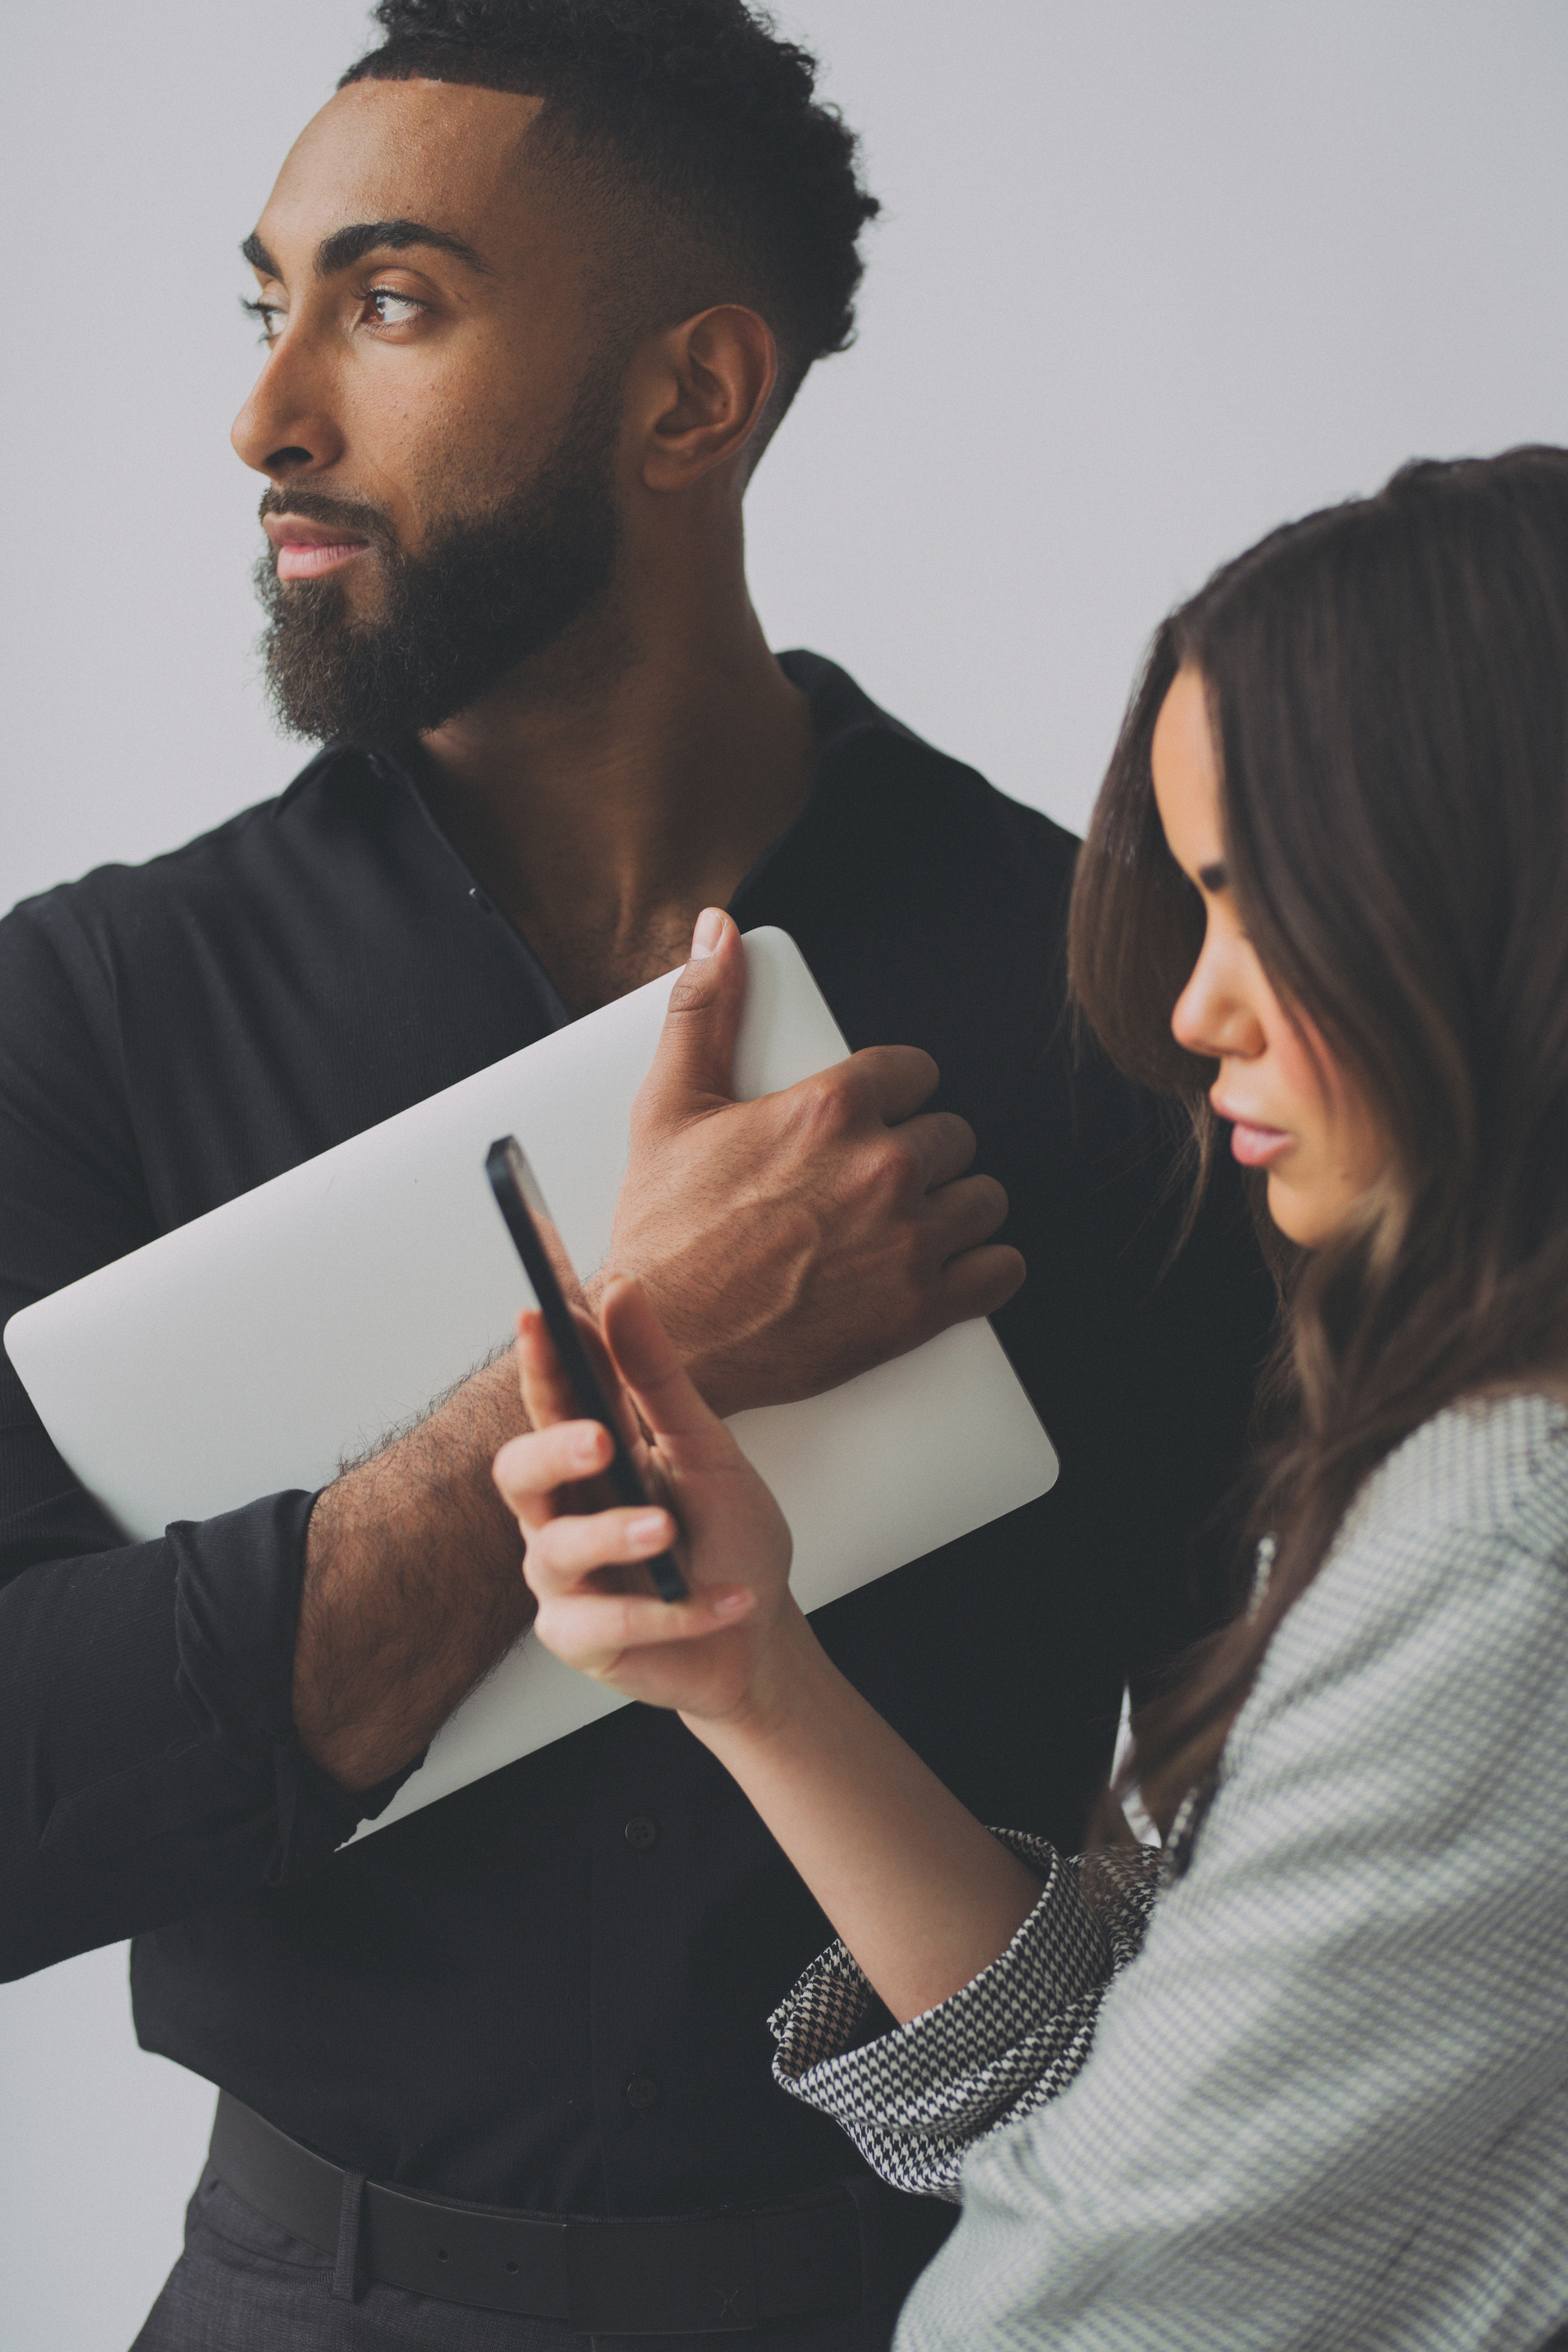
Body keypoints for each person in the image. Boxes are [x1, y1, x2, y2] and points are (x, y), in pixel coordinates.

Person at [0, 3, 1273, 2347]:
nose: (267, 415)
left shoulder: (1148, 1007)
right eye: (267, 304)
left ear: (694, 396)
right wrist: (613, 1349)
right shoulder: (88, 1007)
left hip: (959, 2300)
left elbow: (1285, 1832)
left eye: (387, 304)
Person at [500, 446, 1568, 2350]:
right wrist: (759, 1677)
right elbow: (1132, 2124)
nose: (1195, 1008)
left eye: (1268, 907)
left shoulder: (1510, 1538)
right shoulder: (1463, 1473)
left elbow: (1080, 2301)